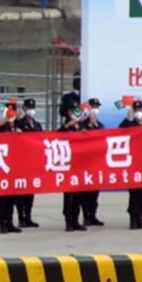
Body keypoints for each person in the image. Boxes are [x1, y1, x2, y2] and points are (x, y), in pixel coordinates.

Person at [119, 100, 142, 230]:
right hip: (133, 164)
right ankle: (133, 220)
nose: (138, 112)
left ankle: (140, 219)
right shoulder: (130, 124)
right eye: (136, 109)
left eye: (140, 109)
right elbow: (119, 131)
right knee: (134, 194)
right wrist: (128, 118)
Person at [0, 100, 21, 234]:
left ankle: (9, 221)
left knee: (12, 196)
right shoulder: (2, 127)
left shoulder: (16, 127)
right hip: (2, 165)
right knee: (3, 196)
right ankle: (2, 221)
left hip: (14, 165)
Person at [58, 98, 86, 233]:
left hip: (80, 164)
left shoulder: (81, 126)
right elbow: (56, 137)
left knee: (79, 195)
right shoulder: (65, 126)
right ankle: (68, 220)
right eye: (72, 111)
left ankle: (75, 219)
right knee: (68, 195)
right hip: (68, 166)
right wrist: (68, 126)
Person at [13, 99, 42, 229]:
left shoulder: (37, 125)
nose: (31, 110)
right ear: (24, 108)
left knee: (30, 192)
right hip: (20, 162)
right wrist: (15, 119)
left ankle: (28, 216)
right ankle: (21, 217)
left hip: (33, 162)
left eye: (32, 107)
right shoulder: (19, 123)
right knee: (21, 192)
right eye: (28, 107)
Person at [79, 98, 105, 226]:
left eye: (96, 106)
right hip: (84, 162)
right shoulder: (82, 124)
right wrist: (88, 126)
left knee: (94, 193)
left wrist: (94, 124)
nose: (95, 109)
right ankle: (86, 216)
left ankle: (93, 215)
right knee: (85, 193)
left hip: (96, 162)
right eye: (93, 106)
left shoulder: (99, 124)